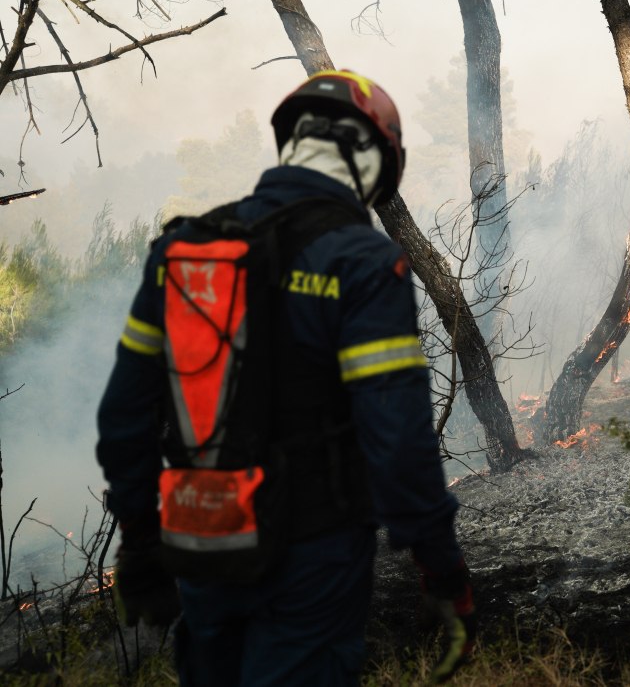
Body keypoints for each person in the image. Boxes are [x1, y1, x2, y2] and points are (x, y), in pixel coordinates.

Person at [97, 70, 475, 686]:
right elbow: (397, 437)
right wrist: (442, 569)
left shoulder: (185, 252)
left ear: (292, 143)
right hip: (312, 553)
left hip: (203, 541)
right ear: (374, 162)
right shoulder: (362, 261)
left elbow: (124, 418)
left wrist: (140, 544)